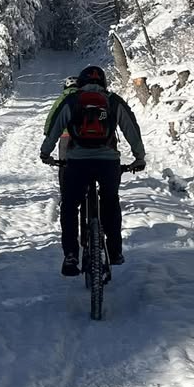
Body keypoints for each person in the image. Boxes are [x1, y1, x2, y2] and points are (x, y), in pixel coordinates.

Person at [39, 65, 146, 277]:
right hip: (108, 163)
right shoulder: (113, 100)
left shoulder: (72, 100)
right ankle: (114, 251)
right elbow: (131, 129)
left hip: (77, 162)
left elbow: (54, 130)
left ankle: (71, 255)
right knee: (110, 202)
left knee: (70, 206)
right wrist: (139, 157)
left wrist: (45, 154)